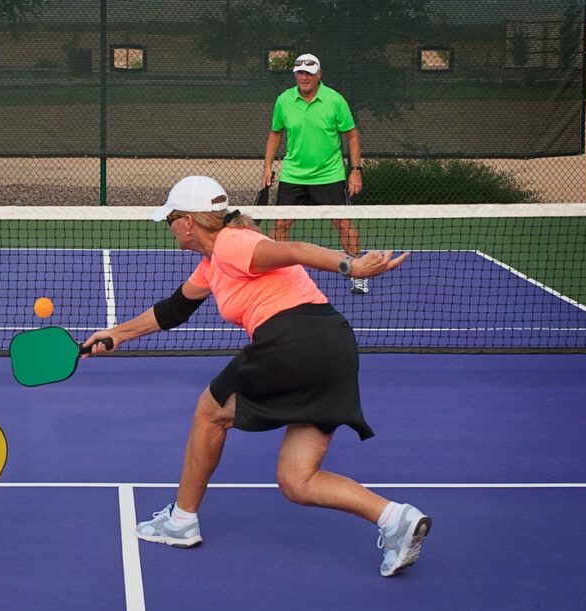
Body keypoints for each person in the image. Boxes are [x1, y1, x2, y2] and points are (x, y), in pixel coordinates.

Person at [82, 176, 430, 577]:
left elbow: (294, 249)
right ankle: (396, 518)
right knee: (297, 480)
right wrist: (116, 334)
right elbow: (173, 310)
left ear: (189, 222)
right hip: (331, 348)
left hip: (292, 340)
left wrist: (352, 265)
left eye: (171, 219)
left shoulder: (234, 243)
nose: (169, 227)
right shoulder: (213, 262)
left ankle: (181, 520)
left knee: (209, 412)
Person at [263, 53, 369, 295]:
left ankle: (358, 272)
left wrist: (355, 171)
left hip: (330, 176)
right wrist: (267, 166)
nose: (304, 76)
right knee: (281, 224)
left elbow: (352, 135)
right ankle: (278, 274)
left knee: (343, 223)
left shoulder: (335, 100)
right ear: (295, 75)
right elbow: (275, 133)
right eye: (299, 72)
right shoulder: (284, 100)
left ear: (319, 74)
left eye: (309, 72)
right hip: (293, 175)